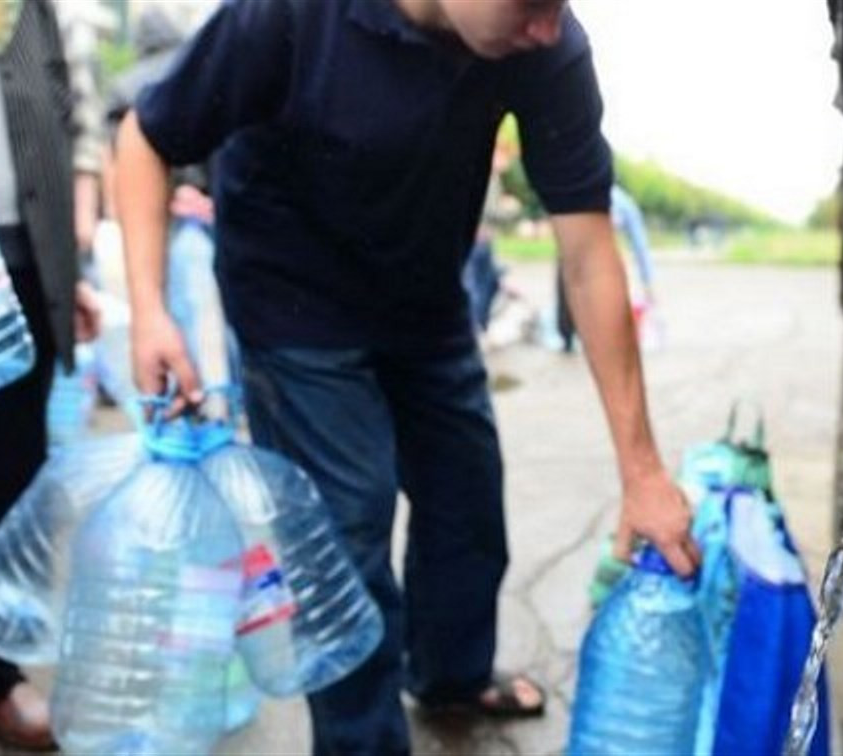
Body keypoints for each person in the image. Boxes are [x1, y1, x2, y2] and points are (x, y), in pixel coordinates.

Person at [113, 1, 699, 754]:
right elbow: (146, 136)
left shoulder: (544, 45)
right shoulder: (288, 15)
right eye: (531, 6)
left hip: (425, 301)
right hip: (293, 304)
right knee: (347, 525)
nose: (549, 28)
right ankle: (363, 743)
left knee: (467, 500)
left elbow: (587, 253)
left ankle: (451, 678)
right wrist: (150, 308)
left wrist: (641, 470)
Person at [0, 0, 101, 748]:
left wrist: (66, 272)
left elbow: (60, 115)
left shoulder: (28, 6)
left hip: (19, 259)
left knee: (12, 479)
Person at [556, 183, 657, 352]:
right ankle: (599, 341)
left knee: (571, 296)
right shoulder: (624, 202)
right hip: (601, 257)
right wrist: (647, 281)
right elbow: (639, 245)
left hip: (573, 254)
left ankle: (569, 338)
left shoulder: (576, 189)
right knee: (602, 302)